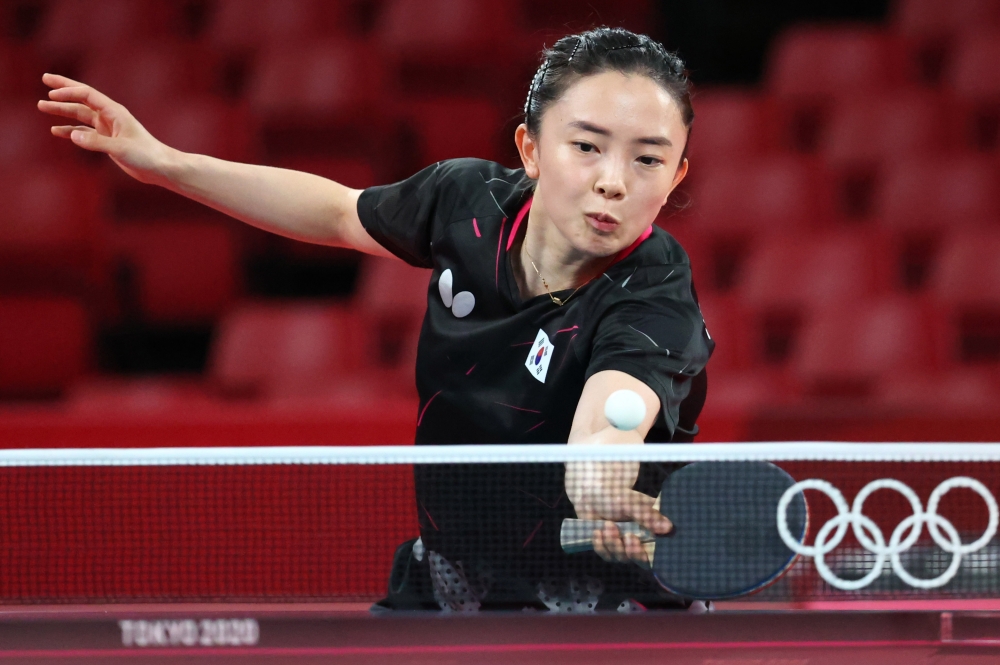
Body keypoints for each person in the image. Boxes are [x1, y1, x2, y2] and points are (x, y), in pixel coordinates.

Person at [38, 26, 714, 612]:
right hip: (454, 579)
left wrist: (597, 477)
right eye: (587, 146)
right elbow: (337, 210)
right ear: (531, 149)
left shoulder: (655, 290)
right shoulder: (465, 203)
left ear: (677, 176)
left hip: (601, 597)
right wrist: (165, 164)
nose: (614, 181)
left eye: (647, 158)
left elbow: (615, 409)